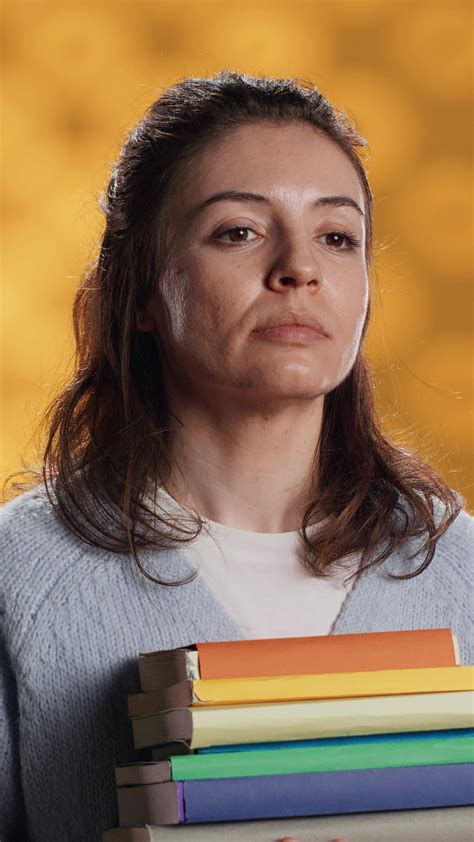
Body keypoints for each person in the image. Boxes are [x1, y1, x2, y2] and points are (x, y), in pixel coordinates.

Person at [0, 70, 472, 842]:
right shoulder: (18, 571)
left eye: (337, 236)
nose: (299, 269)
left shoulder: (462, 570)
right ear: (143, 292)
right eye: (238, 232)